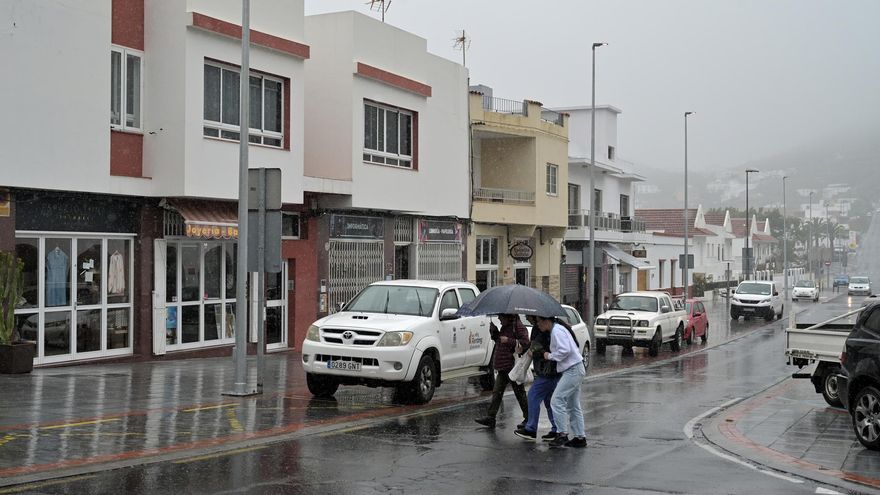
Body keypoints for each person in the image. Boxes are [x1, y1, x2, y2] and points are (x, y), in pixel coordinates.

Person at [475, 313, 530, 428]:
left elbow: (525, 343)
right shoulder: (506, 326)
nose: (499, 318)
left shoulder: (518, 327)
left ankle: (529, 418)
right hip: (503, 366)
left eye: (501, 316)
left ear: (508, 316)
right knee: (497, 392)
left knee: (519, 394)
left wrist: (509, 340)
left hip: (512, 367)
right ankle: (491, 417)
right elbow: (501, 342)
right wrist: (494, 333)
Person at [540, 315, 587, 448]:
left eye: (538, 322)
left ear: (546, 321)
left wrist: (549, 356)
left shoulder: (557, 331)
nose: (538, 325)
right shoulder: (558, 329)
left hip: (573, 369)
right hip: (575, 368)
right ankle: (580, 437)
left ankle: (562, 434)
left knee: (556, 400)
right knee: (573, 404)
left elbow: (564, 350)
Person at [513, 315, 560, 441]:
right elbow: (535, 344)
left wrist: (534, 349)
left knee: (533, 396)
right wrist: (526, 349)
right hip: (548, 369)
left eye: (528, 315)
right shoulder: (541, 327)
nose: (526, 317)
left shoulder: (544, 328)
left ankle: (531, 429)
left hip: (548, 369)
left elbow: (542, 345)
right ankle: (557, 429)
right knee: (549, 401)